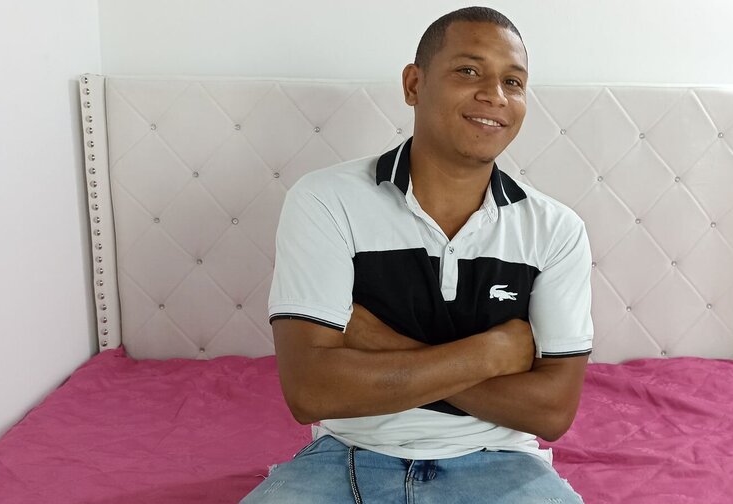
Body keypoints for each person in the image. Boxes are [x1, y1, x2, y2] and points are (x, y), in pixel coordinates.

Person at [241, 6, 593, 504]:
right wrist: (489, 354)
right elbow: (311, 392)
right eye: (468, 70)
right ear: (413, 84)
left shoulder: (556, 230)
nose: (494, 94)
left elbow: (552, 412)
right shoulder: (326, 200)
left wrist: (381, 342)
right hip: (348, 455)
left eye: (513, 82)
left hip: (502, 461)